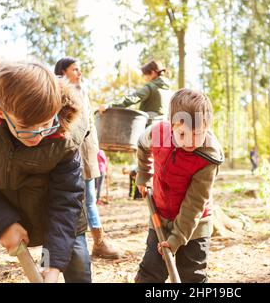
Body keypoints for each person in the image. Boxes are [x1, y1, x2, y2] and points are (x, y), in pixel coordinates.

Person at [0, 59, 91, 282]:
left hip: (50, 207)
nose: (39, 135)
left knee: (76, 266)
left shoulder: (65, 136)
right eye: (26, 128)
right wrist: (2, 224)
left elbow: (65, 198)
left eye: (46, 124)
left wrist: (51, 265)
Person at [134, 89, 224, 283]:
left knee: (192, 275)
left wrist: (177, 239)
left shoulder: (207, 157)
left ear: (207, 127)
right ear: (171, 125)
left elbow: (195, 203)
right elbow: (142, 146)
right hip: (160, 216)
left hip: (195, 225)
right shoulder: (159, 133)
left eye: (197, 134)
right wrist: (144, 175)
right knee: (150, 273)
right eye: (182, 134)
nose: (190, 141)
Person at [55, 57, 119, 260]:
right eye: (75, 69)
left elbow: (89, 123)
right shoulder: (59, 93)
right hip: (72, 154)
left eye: (80, 69)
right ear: (63, 72)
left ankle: (96, 243)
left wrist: (97, 149)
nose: (79, 73)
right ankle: (87, 244)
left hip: (88, 152)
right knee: (79, 201)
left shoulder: (81, 91)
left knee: (90, 199)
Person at [99, 59, 173, 126]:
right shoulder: (169, 90)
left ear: (153, 73)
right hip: (165, 128)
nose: (145, 78)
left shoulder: (151, 87)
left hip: (150, 129)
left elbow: (132, 98)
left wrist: (110, 105)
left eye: (146, 75)